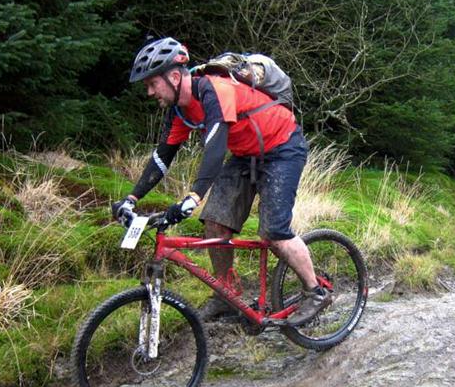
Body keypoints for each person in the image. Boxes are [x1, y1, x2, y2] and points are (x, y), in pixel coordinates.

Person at [112, 37, 331, 325]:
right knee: (215, 222)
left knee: (274, 233)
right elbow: (162, 157)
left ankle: (315, 292)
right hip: (245, 155)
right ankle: (227, 294)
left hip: (282, 148)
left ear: (174, 77)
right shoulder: (179, 110)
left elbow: (215, 148)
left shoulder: (215, 90)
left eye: (152, 84)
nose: (150, 92)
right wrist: (131, 199)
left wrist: (193, 197)